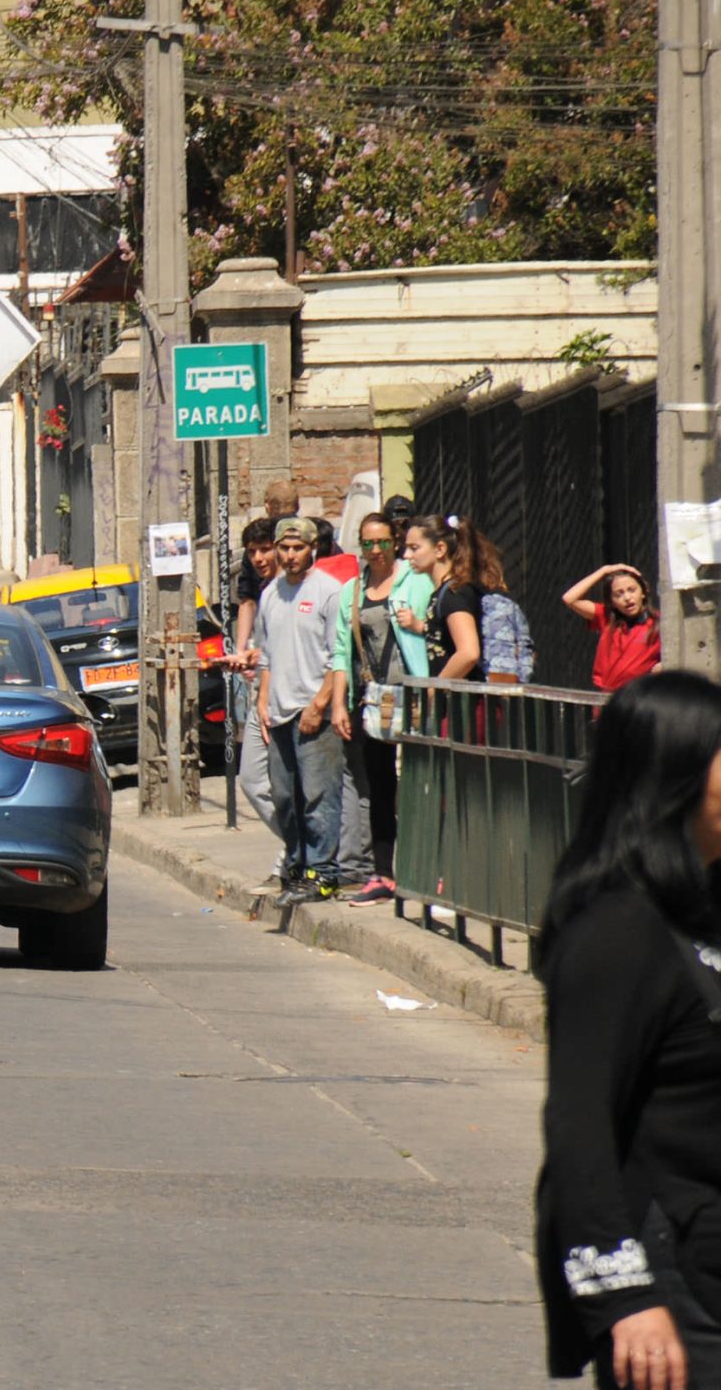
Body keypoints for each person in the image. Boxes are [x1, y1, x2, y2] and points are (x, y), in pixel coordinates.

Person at [534, 671, 721, 1388]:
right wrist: (627, 1299)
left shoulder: (698, 907)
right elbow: (579, 1124)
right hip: (677, 1290)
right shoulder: (617, 931)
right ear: (672, 773)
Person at [329, 512, 433, 900]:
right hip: (374, 700)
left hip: (415, 694)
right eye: (368, 543)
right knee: (379, 784)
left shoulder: (416, 579)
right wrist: (340, 704)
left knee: (420, 780)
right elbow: (341, 652)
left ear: (396, 542)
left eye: (383, 542)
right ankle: (384, 874)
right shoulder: (352, 592)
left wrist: (417, 624)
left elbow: (434, 627)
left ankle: (426, 868)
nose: (375, 551)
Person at [252, 516, 348, 903]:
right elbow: (267, 654)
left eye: (298, 548)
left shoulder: (329, 591)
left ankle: (323, 873)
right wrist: (262, 700)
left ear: (312, 550)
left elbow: (338, 655)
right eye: (285, 548)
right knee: (285, 797)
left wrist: (321, 703)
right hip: (279, 711)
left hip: (314, 712)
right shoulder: (271, 594)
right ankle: (296, 867)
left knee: (318, 797)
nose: (290, 555)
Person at [230, 518, 283, 848]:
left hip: (285, 697)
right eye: (253, 552)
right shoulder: (263, 588)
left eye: (266, 550)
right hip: (261, 694)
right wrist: (243, 651)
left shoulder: (291, 589)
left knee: (285, 782)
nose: (260, 558)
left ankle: (300, 855)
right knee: (251, 779)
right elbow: (246, 604)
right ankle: (296, 847)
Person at [397, 516, 488, 681]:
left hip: (463, 702)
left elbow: (468, 652)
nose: (406, 555)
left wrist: (435, 689)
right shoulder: (442, 593)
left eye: (414, 548)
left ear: (440, 549)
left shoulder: (454, 593)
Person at [567, 563, 663, 694]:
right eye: (619, 594)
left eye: (632, 590)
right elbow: (570, 599)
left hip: (639, 697)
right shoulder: (606, 618)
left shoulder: (659, 622)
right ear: (611, 601)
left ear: (644, 591)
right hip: (606, 697)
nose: (627, 598)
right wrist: (604, 571)